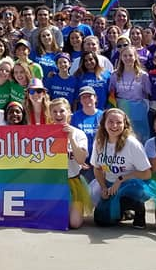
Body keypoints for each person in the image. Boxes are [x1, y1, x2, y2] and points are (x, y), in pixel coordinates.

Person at [89, 108, 153, 228]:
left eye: (119, 122)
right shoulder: (99, 142)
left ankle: (139, 209)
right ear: (104, 123)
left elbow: (147, 174)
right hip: (109, 183)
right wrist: (103, 187)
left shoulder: (132, 144)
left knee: (130, 192)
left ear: (125, 125)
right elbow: (97, 168)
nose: (114, 125)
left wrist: (121, 179)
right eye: (110, 121)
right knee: (101, 221)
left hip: (131, 183)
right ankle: (124, 212)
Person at [49, 98, 90, 229]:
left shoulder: (79, 134)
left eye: (62, 111)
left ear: (69, 113)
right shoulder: (44, 132)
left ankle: (75, 209)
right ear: (50, 115)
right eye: (54, 112)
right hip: (52, 184)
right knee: (53, 221)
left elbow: (81, 160)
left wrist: (71, 138)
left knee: (74, 223)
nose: (58, 115)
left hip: (73, 183)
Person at [108, 46, 152, 143]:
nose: (128, 58)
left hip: (139, 110)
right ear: (121, 57)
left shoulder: (143, 75)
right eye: (125, 56)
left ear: (135, 57)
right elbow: (111, 94)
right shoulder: (115, 75)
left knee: (139, 138)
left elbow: (149, 93)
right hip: (122, 109)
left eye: (130, 55)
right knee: (122, 137)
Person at [70, 86, 103, 182]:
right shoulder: (75, 117)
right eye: (83, 97)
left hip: (99, 162)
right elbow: (71, 138)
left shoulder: (103, 116)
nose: (87, 99)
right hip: (83, 162)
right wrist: (78, 160)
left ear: (95, 98)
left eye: (89, 96)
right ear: (80, 100)